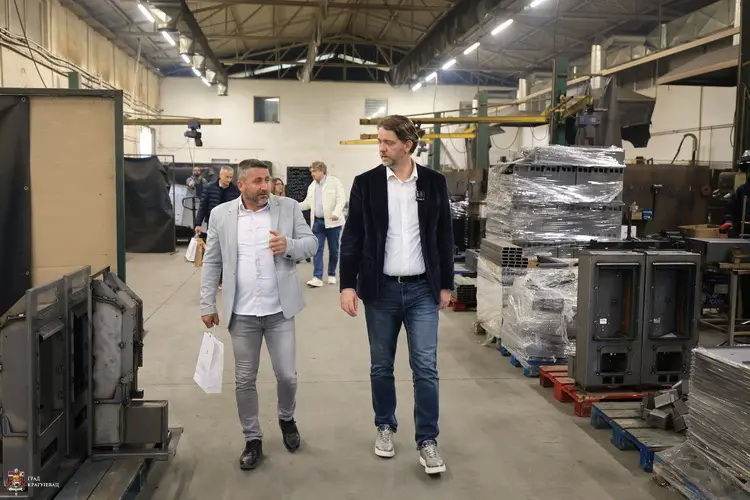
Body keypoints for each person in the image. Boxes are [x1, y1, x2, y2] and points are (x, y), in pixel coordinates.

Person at [338, 115, 454, 475]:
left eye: (388, 142)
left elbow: (444, 236)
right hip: (381, 290)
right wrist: (347, 284)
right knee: (381, 365)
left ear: (407, 144)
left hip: (422, 291)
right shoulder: (366, 184)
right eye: (379, 141)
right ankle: (385, 425)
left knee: (426, 368)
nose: (381, 148)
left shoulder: (433, 183)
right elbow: (353, 237)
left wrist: (445, 284)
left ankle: (428, 440)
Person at [199, 159, 317, 471]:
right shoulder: (221, 215)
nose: (265, 186)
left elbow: (311, 244)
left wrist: (288, 245)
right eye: (257, 181)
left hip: (280, 311)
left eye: (267, 179)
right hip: (242, 314)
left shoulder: (288, 207)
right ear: (241, 185)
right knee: (244, 379)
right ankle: (252, 438)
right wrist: (207, 303)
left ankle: (286, 418)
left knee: (287, 375)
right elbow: (212, 262)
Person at [298, 161, 347, 287]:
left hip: (333, 222)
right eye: (311, 172)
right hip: (318, 222)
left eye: (314, 171)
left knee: (334, 250)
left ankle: (331, 274)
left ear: (322, 171)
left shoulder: (335, 182)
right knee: (317, 249)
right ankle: (317, 277)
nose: (312, 174)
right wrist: (294, 206)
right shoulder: (312, 186)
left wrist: (336, 213)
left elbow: (341, 199)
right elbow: (307, 203)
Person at [194, 165, 241, 238]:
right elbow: (202, 207)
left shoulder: (235, 191)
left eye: (231, 177)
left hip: (228, 224)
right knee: (212, 243)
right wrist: (198, 224)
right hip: (212, 222)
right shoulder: (209, 188)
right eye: (227, 177)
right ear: (220, 175)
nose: (229, 180)